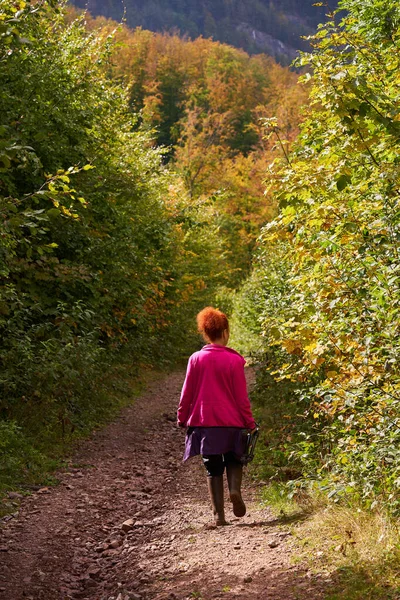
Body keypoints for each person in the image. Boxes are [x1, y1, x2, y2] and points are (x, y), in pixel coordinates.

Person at [177, 306, 256, 527]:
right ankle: (234, 490)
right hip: (232, 422)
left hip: (205, 422)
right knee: (234, 458)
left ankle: (218, 516)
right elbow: (241, 398)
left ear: (206, 333)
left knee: (212, 467)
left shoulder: (195, 359)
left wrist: (182, 416)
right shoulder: (235, 361)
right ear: (225, 332)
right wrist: (249, 422)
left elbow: (187, 392)